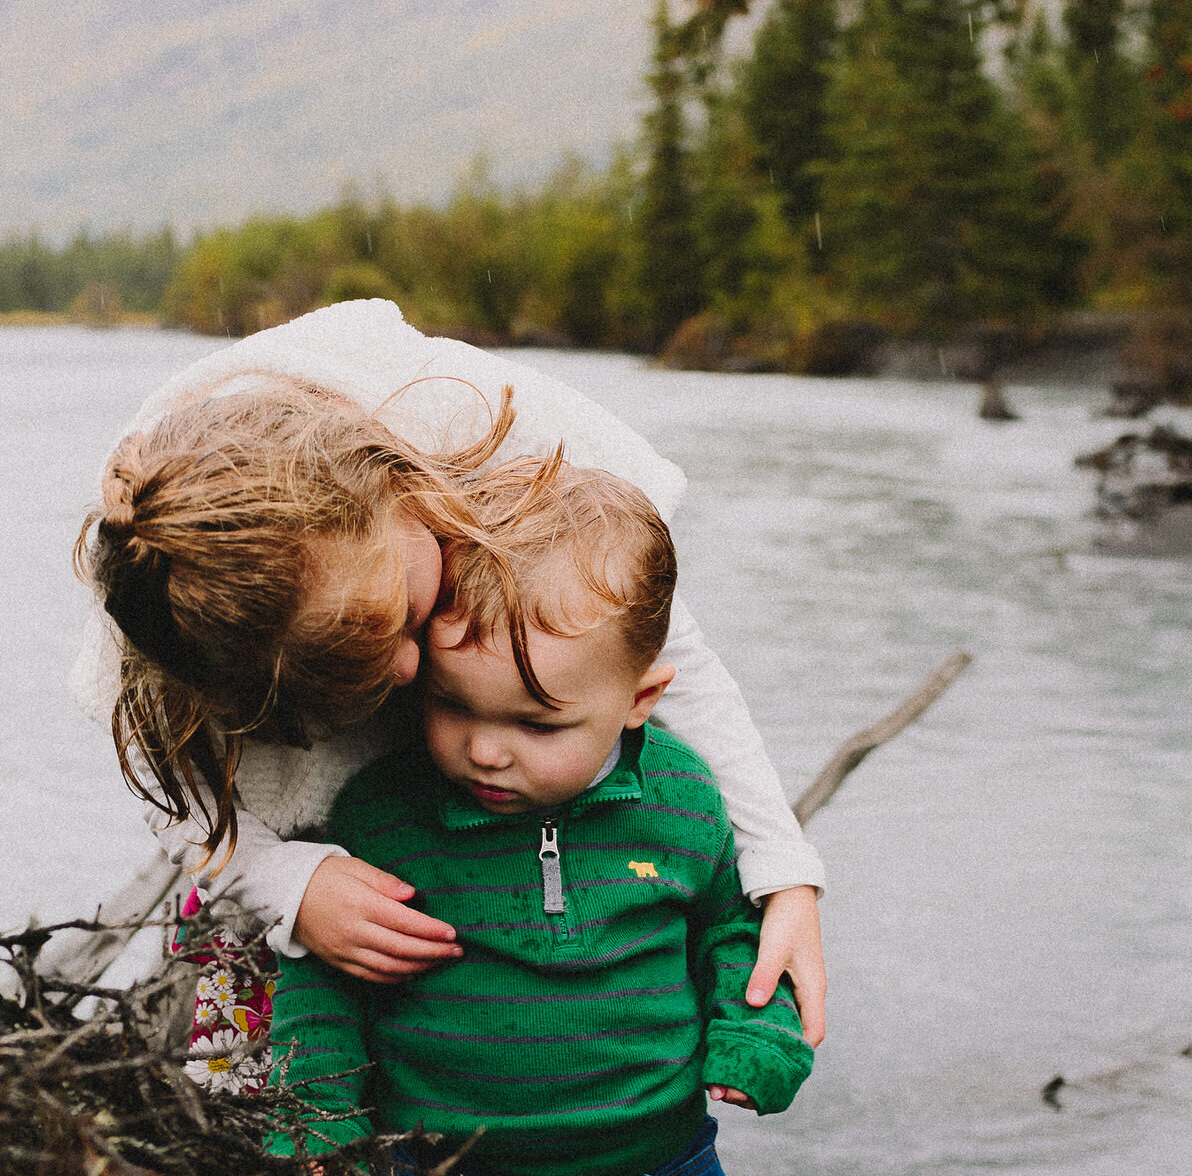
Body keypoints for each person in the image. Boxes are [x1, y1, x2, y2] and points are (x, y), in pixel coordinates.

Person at [266, 462, 830, 1176]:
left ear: (642, 699)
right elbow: (318, 974)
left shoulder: (680, 804)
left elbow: (729, 930)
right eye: (452, 706)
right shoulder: (385, 818)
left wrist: (756, 1033)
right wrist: (314, 1111)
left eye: (536, 721)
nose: (485, 747)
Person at [72, 299, 827, 1057]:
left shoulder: (456, 421)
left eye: (403, 615)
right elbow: (162, 765)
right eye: (347, 668)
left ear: (403, 488)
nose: (407, 669)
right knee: (275, 1111)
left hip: (472, 830)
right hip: (289, 887)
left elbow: (655, 645)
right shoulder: (162, 584)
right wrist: (281, 881)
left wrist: (780, 862)